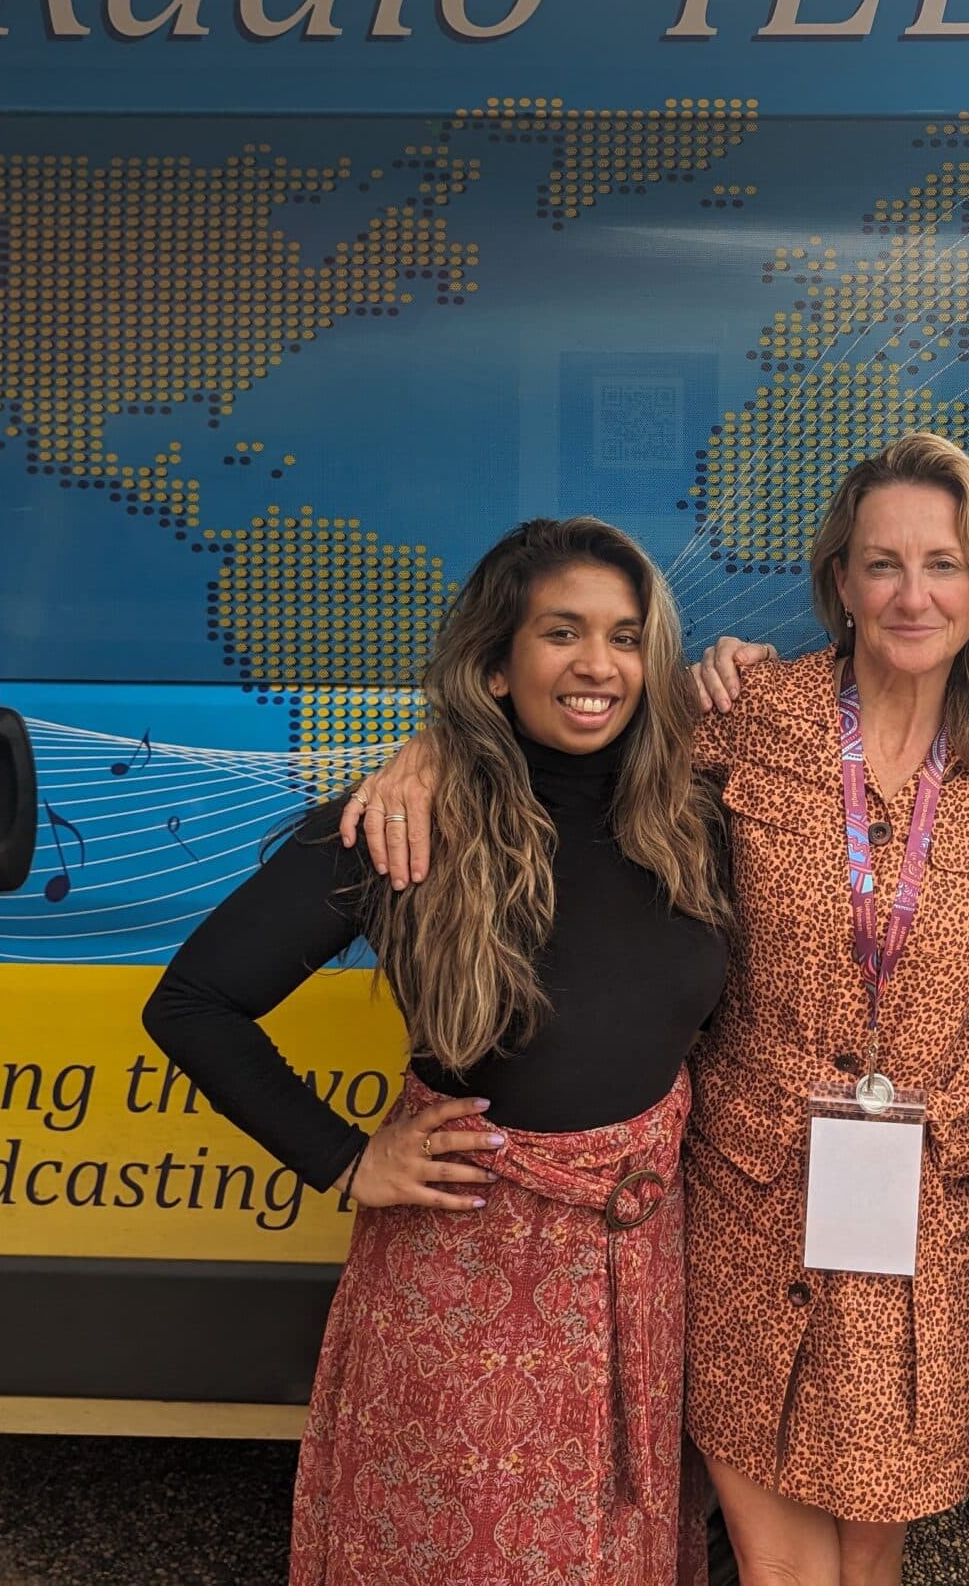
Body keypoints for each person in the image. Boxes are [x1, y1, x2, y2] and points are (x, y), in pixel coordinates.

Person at [346, 434, 969, 1586]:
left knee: (870, 1541)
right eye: (882, 563)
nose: (911, 594)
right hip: (749, 1179)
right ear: (840, 581)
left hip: (918, 1194)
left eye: (943, 563)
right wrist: (428, 754)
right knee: (776, 1556)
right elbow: (568, 723)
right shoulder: (748, 710)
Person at [143, 516, 729, 1586]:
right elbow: (194, 1003)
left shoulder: (689, 818)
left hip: (637, 1275)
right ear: (497, 664)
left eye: (624, 636)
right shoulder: (409, 822)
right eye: (561, 632)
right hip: (461, 1280)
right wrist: (345, 1158)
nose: (597, 665)